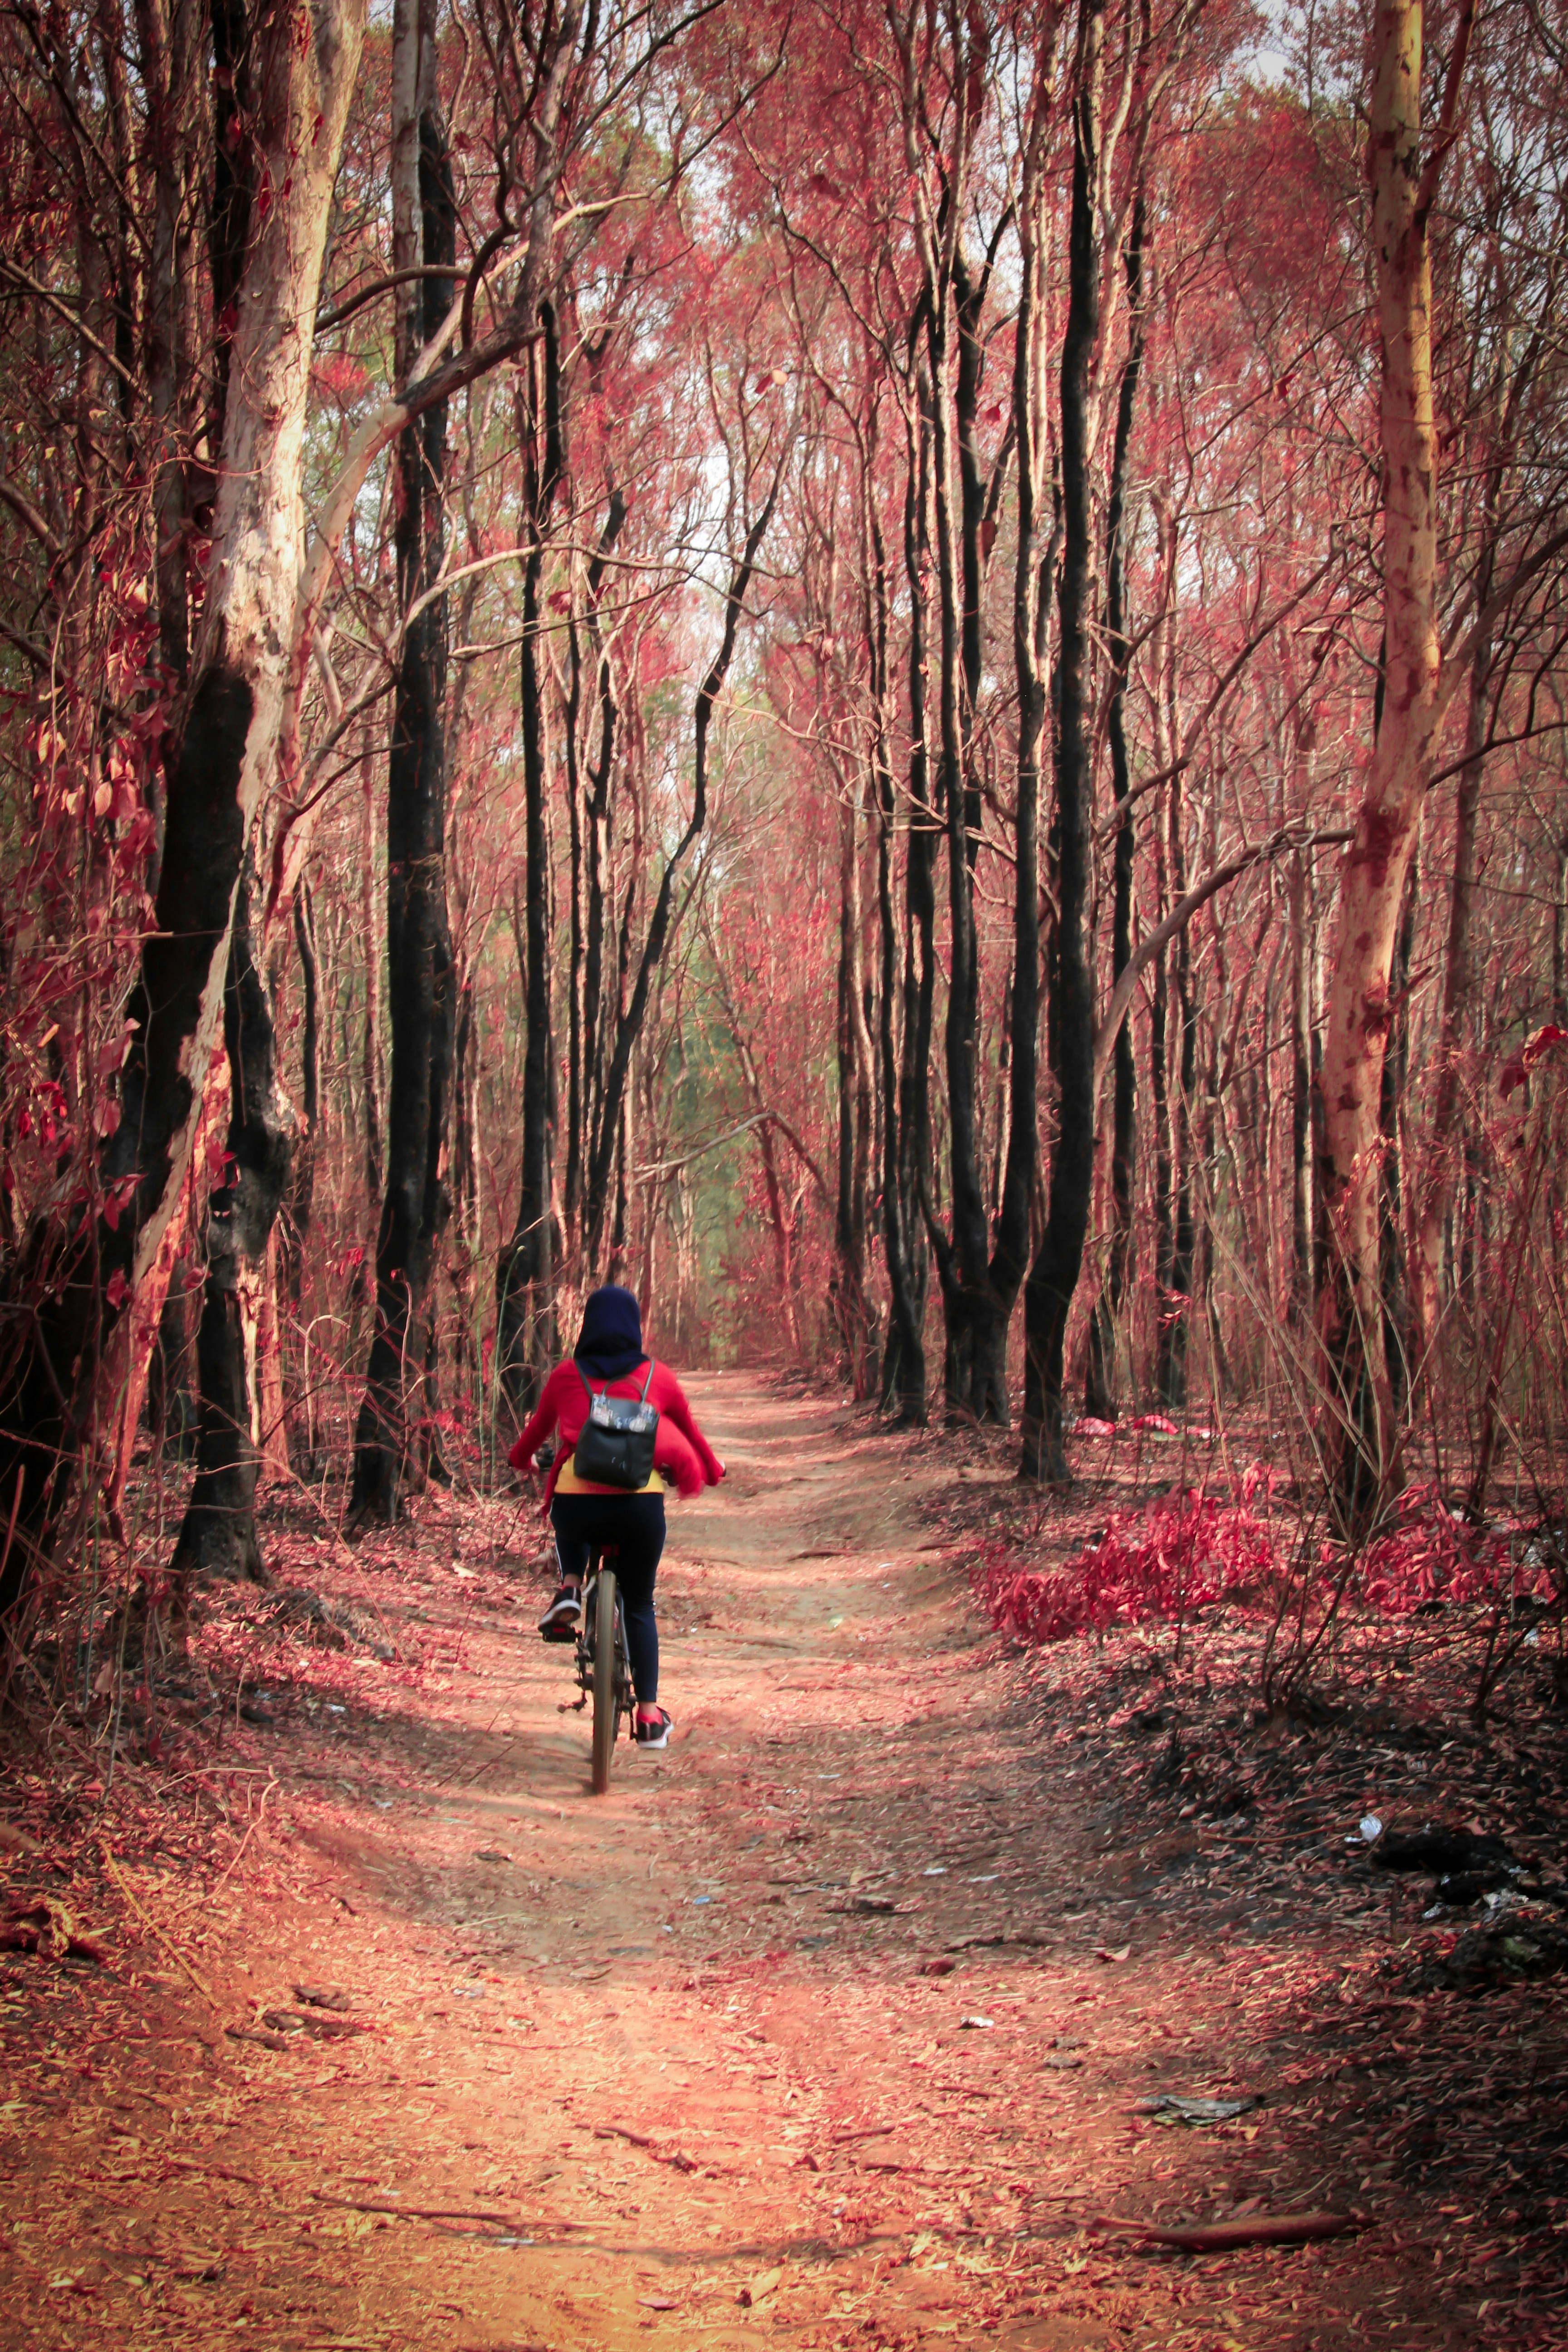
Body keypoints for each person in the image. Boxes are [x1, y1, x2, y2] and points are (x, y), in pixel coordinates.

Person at [507, 1285, 724, 1750]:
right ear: (635, 1328)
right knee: (641, 1602)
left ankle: (569, 1587)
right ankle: (648, 1717)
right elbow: (690, 1432)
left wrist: (521, 1459)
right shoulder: (658, 1378)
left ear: (587, 1325)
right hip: (639, 1507)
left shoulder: (567, 1375)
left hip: (578, 1507)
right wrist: (713, 1469)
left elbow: (530, 1439)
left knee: (572, 1502)